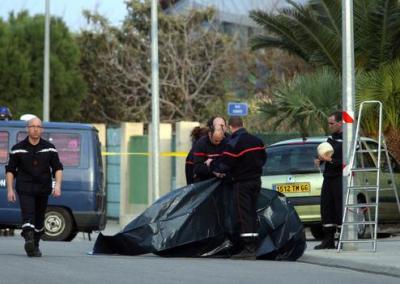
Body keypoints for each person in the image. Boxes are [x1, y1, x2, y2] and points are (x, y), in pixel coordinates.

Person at [5, 117, 63, 257]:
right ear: (27, 128)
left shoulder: (49, 148)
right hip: (24, 188)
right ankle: (29, 238)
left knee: (39, 218)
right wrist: (10, 189)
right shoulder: (17, 149)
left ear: (41, 129)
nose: (35, 129)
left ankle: (35, 244)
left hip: (43, 188)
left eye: (38, 126)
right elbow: (10, 170)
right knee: (28, 214)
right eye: (32, 126)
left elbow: (57, 168)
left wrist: (58, 186)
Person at [212, 116, 267, 259]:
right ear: (243, 124)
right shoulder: (257, 140)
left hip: (242, 182)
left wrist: (214, 167)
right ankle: (254, 245)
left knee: (243, 214)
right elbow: (264, 159)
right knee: (252, 212)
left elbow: (225, 164)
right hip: (256, 181)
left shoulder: (234, 142)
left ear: (230, 127)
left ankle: (248, 248)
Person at [314, 111, 343, 249]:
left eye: (332, 123)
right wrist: (320, 159)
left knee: (339, 208)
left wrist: (330, 160)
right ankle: (328, 240)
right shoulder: (330, 138)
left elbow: (347, 161)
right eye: (328, 123)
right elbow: (325, 152)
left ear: (340, 123)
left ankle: (343, 239)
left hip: (340, 178)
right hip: (329, 177)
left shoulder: (348, 139)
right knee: (326, 207)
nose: (329, 126)